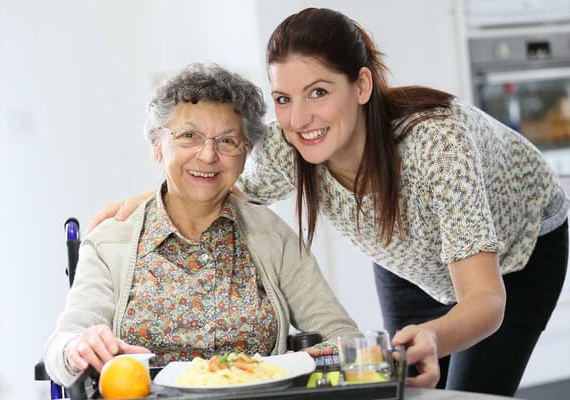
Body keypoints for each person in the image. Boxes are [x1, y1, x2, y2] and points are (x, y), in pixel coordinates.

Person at [87, 8, 570, 396]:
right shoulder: (287, 146)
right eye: (282, 98)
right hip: (407, 258)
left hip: (517, 252)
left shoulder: (436, 145)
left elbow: (485, 299)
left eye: (318, 92)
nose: (299, 119)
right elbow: (219, 184)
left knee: (467, 392)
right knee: (400, 387)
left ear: (361, 86)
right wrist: (143, 202)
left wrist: (436, 335)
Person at [44, 63, 362, 387]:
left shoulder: (272, 236)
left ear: (245, 154)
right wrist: (76, 348)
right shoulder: (111, 243)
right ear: (157, 146)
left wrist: (287, 367)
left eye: (227, 141)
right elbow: (61, 350)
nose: (208, 155)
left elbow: (342, 337)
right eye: (189, 136)